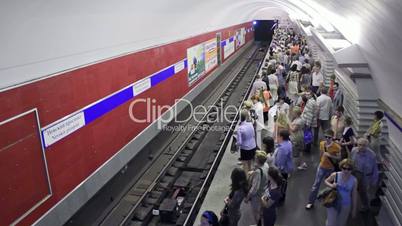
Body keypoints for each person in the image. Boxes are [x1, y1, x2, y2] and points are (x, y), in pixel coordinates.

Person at [306, 130, 341, 209]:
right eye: (326, 137)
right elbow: (321, 153)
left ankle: (330, 200)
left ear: (332, 137)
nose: (328, 139)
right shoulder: (322, 144)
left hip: (331, 168)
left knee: (332, 186)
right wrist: (321, 160)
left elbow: (339, 158)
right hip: (322, 166)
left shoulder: (337, 147)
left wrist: (330, 155)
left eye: (329, 137)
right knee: (316, 185)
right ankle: (310, 202)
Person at [324, 159, 358, 226]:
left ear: (352, 169)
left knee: (341, 223)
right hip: (334, 202)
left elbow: (354, 195)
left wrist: (354, 209)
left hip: (346, 205)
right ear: (341, 167)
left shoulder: (354, 180)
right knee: (331, 222)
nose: (346, 171)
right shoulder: (336, 175)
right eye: (344, 168)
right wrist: (331, 185)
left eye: (349, 169)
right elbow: (326, 181)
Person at [351, 138, 379, 212]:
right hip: (355, 172)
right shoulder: (354, 150)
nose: (361, 147)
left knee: (363, 191)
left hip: (365, 175)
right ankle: (350, 203)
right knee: (351, 188)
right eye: (359, 145)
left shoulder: (372, 155)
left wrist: (374, 180)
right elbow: (350, 161)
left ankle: (365, 206)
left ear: (367, 146)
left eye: (364, 145)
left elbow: (375, 169)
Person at [245, 151, 269, 225]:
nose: (254, 158)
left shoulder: (258, 172)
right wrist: (253, 172)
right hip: (264, 191)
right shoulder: (266, 165)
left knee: (256, 213)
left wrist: (247, 197)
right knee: (261, 211)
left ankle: (257, 224)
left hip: (257, 197)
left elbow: (255, 188)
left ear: (258, 160)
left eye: (255, 158)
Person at [273, 129, 294, 204]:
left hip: (282, 170)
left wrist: (278, 170)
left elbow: (280, 161)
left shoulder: (282, 148)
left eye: (278, 136)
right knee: (284, 183)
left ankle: (280, 199)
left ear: (281, 137)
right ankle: (282, 196)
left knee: (281, 184)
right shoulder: (288, 143)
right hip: (287, 167)